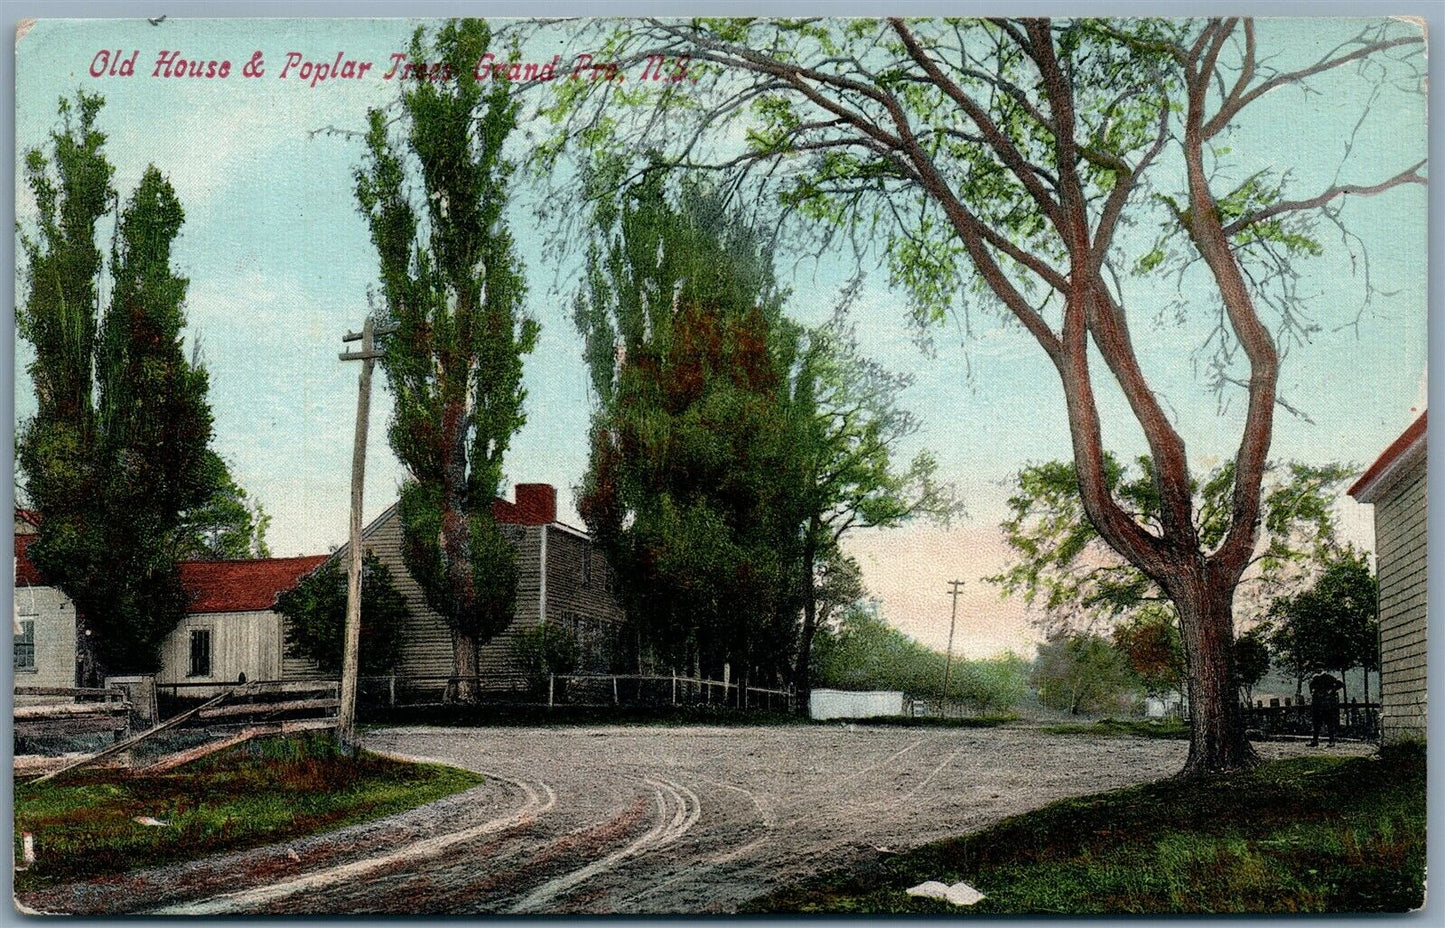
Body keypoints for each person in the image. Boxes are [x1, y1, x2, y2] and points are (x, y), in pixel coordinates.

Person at [1309, 672, 1345, 747]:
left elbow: (1340, 684)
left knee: (1326, 724)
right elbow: (1311, 688)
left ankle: (1327, 741)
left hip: (1325, 706)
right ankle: (1317, 741)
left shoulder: (1325, 679)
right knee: (1320, 724)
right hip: (1322, 706)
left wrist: (1332, 690)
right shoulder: (1317, 679)